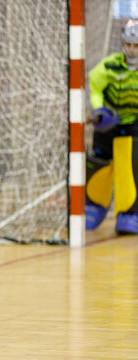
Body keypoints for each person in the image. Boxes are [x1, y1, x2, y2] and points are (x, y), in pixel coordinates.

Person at [86, 19, 138, 234]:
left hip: (134, 123)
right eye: (128, 45)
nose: (132, 50)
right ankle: (93, 205)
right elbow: (95, 84)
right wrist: (100, 110)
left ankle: (128, 212)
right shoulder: (109, 65)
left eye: (136, 46)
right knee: (100, 158)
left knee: (130, 164)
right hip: (110, 122)